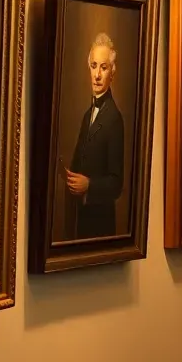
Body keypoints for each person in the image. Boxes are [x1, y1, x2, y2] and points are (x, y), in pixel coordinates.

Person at [62, 32, 125, 239]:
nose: (97, 75)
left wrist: (89, 184)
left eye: (103, 68)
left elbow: (116, 184)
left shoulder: (114, 119)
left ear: (112, 73)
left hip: (101, 223)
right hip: (81, 219)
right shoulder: (87, 115)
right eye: (94, 66)